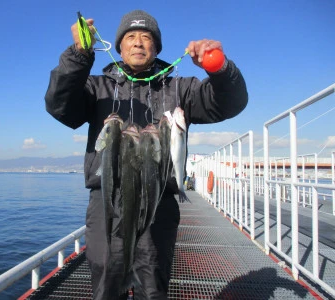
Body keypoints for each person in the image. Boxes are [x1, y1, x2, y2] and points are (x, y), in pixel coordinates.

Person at [45, 10, 248, 300]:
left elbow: (229, 104)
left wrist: (220, 69)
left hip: (159, 201)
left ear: (156, 47)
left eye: (146, 37)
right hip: (108, 201)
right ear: (118, 47)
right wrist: (78, 55)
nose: (138, 43)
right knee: (107, 283)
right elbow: (59, 106)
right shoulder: (96, 87)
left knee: (152, 285)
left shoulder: (181, 87)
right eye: (130, 37)